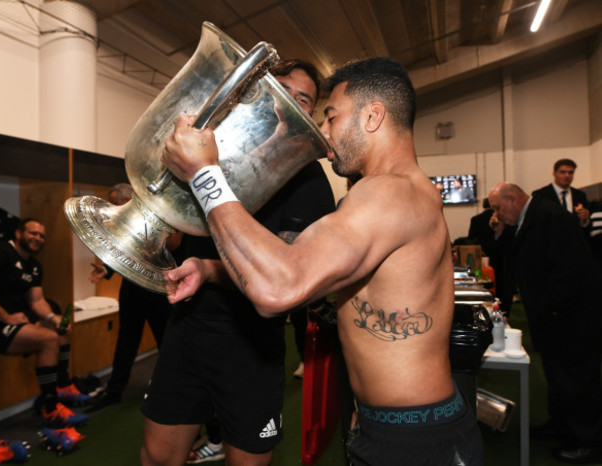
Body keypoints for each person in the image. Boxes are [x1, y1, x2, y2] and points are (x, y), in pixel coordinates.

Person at [162, 57, 483, 466]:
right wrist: (210, 269)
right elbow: (301, 273)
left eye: (331, 116)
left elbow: (279, 288)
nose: (323, 130)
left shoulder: (389, 194)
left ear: (372, 116)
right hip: (387, 424)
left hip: (416, 440)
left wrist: (204, 175)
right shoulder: (397, 192)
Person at [139, 59, 336, 466]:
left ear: (310, 113)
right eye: (280, 90)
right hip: (187, 326)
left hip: (251, 343)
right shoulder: (214, 146)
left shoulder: (309, 180)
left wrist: (211, 270)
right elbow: (178, 229)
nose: (289, 103)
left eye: (303, 99)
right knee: (158, 456)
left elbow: (283, 273)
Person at [488, 182, 602, 463]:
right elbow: (517, 259)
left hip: (571, 317)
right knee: (558, 375)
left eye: (498, 208)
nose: (497, 214)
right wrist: (501, 233)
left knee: (577, 379)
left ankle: (587, 439)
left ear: (512, 198)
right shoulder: (532, 216)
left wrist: (553, 308)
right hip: (555, 316)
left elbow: (572, 268)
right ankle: (562, 425)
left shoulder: (548, 216)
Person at [0, 218, 89, 427]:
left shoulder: (34, 265)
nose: (37, 238)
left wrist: (52, 318)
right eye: (32, 233)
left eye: (41, 236)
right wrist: (5, 317)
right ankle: (50, 409)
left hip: (14, 320)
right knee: (49, 339)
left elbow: (37, 301)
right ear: (18, 233)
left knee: (61, 329)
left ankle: (62, 387)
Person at [86, 184, 180, 412]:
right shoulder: (123, 223)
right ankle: (114, 391)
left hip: (159, 289)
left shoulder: (158, 214)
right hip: (132, 290)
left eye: (116, 204)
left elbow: (173, 246)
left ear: (130, 199)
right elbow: (122, 251)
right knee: (126, 342)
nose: (115, 210)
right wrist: (106, 270)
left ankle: (174, 390)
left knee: (166, 342)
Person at [467, 198, 515, 314]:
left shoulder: (476, 219)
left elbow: (471, 240)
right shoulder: (505, 219)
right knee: (503, 282)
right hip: (501, 255)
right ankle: (503, 310)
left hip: (482, 257)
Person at [532, 158, 590, 228]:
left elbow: (585, 226)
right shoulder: (540, 195)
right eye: (562, 172)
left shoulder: (580, 195)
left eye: (570, 172)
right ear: (554, 173)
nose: (567, 175)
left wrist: (584, 220)